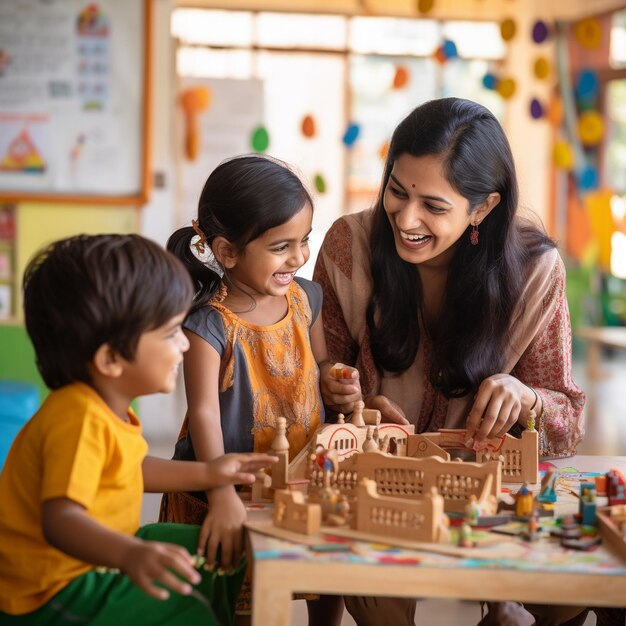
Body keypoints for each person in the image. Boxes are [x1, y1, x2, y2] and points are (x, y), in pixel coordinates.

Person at [313, 97, 593, 626]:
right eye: (397, 191)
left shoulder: (535, 269)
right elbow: (315, 389)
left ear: (483, 208)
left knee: (568, 595)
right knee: (376, 601)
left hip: (492, 500)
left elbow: (566, 424)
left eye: (434, 207)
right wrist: (346, 401)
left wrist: (526, 397)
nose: (406, 218)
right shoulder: (349, 243)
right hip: (382, 488)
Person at [0, 234, 277, 626]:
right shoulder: (77, 418)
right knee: (184, 606)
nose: (184, 344)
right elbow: (60, 519)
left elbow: (129, 468)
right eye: (169, 333)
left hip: (101, 558)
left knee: (225, 551)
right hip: (52, 588)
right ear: (111, 359)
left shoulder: (106, 407)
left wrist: (210, 472)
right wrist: (130, 556)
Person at [159, 154, 359, 625]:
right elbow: (204, 413)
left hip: (305, 472)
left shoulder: (306, 297)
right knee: (242, 596)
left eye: (305, 240)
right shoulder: (209, 324)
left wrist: (334, 379)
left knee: (323, 580)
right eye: (281, 246)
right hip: (234, 485)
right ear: (227, 252)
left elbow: (320, 362)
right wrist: (222, 490)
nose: (299, 257)